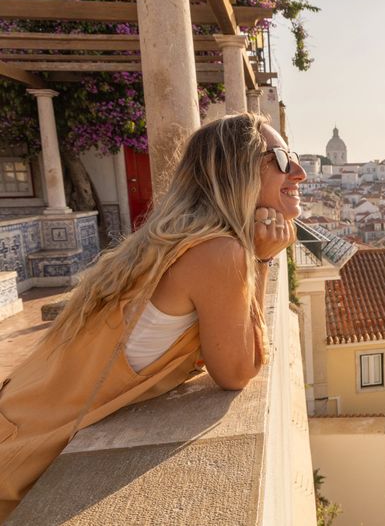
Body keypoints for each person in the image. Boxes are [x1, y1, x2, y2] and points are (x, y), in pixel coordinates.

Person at [0, 113, 306, 519]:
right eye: (283, 159)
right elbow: (237, 371)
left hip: (18, 417)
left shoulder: (178, 240)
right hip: (20, 452)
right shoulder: (218, 253)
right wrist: (263, 258)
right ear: (237, 171)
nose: (299, 172)